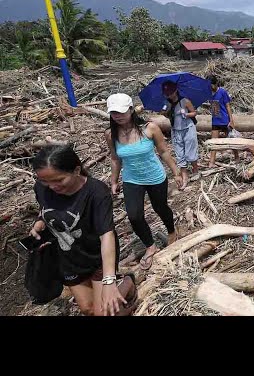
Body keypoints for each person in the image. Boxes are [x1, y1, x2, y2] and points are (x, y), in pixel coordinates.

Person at [30, 145, 137, 316]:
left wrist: (109, 281)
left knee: (103, 313)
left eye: (59, 180)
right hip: (69, 258)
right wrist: (40, 221)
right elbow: (46, 208)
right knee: (88, 309)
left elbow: (107, 235)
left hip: (98, 257)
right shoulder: (41, 187)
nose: (52, 186)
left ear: (76, 170)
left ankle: (127, 283)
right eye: (45, 181)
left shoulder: (96, 192)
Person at [106, 93, 183, 271]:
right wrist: (114, 180)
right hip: (132, 179)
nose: (117, 116)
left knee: (160, 207)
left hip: (155, 177)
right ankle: (150, 245)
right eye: (113, 112)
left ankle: (172, 231)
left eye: (121, 112)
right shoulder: (111, 134)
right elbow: (115, 158)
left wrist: (176, 173)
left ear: (131, 110)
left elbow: (163, 152)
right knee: (134, 215)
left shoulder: (150, 128)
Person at [159, 81, 198, 184]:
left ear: (175, 90)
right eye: (167, 94)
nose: (169, 95)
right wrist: (166, 112)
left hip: (188, 128)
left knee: (190, 150)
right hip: (176, 130)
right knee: (179, 152)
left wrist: (187, 114)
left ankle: (195, 169)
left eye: (171, 92)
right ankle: (184, 175)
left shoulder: (184, 101)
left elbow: (194, 112)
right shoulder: (167, 103)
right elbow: (164, 113)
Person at [208, 75, 240, 167]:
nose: (211, 88)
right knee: (214, 142)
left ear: (216, 84)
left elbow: (227, 106)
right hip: (215, 121)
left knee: (231, 140)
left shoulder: (222, 92)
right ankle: (211, 162)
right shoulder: (209, 93)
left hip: (224, 120)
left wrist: (231, 120)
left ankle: (237, 157)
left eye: (212, 86)